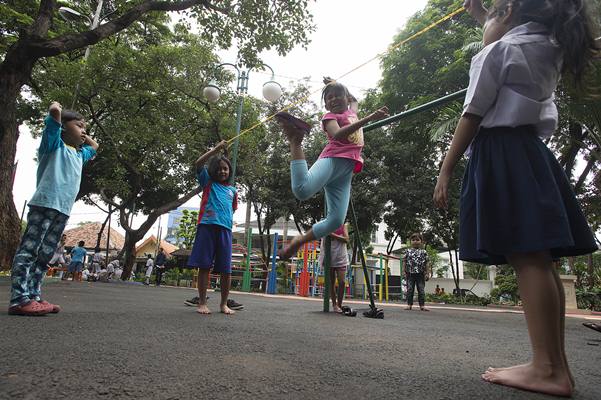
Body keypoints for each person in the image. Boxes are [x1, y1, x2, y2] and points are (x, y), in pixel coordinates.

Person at [433, 0, 599, 396]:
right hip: (528, 151)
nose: (483, 26)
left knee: (527, 257)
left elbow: (472, 113)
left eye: (489, 17)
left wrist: (446, 169)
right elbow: (505, 31)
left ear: (508, 14)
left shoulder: (498, 51)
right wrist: (485, 16)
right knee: (539, 259)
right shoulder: (547, 45)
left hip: (500, 151)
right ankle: (552, 365)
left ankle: (547, 369)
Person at [276, 78, 389, 260]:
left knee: (336, 220)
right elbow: (336, 134)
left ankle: (299, 241)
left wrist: (336, 82)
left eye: (338, 96)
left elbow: (354, 100)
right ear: (326, 105)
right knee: (302, 191)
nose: (334, 99)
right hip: (333, 159)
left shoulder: (352, 111)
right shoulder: (330, 117)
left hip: (346, 171)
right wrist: (369, 118)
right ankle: (296, 141)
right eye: (329, 98)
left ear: (346, 98)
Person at [8, 102, 98, 316]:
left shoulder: (78, 155)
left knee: (44, 255)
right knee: (29, 251)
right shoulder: (53, 145)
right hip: (44, 205)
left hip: (62, 211)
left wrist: (81, 130)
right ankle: (19, 298)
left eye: (85, 127)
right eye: (79, 126)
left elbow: (94, 147)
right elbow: (53, 118)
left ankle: (34, 295)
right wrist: (57, 111)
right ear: (63, 128)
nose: (84, 131)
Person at [183, 140, 239, 315]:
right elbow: (198, 164)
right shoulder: (207, 182)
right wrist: (214, 150)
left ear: (229, 171)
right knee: (204, 266)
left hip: (225, 231)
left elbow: (232, 210)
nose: (222, 171)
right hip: (207, 227)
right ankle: (201, 302)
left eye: (226, 169)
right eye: (219, 168)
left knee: (226, 270)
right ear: (213, 170)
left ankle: (223, 304)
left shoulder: (233, 191)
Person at [318, 223, 350, 313]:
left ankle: (339, 304)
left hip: (341, 258)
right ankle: (334, 304)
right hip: (330, 258)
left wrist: (333, 235)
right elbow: (324, 243)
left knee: (342, 282)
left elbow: (346, 239)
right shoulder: (327, 225)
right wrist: (323, 257)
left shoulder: (343, 225)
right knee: (331, 283)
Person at [403, 233, 430, 311]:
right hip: (410, 274)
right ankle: (409, 304)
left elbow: (427, 263)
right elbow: (404, 261)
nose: (415, 241)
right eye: (413, 240)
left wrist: (427, 273)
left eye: (417, 240)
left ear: (421, 242)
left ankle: (422, 305)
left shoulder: (424, 252)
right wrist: (403, 271)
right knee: (410, 289)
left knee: (421, 290)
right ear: (410, 241)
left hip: (420, 274)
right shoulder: (407, 251)